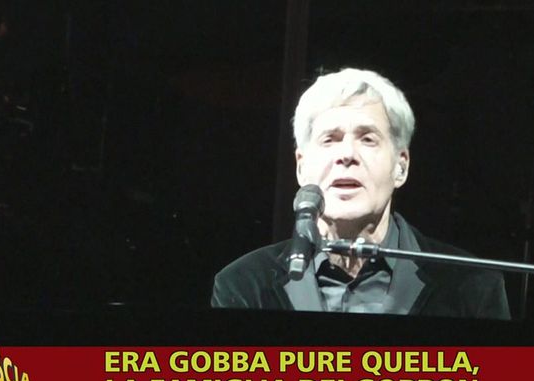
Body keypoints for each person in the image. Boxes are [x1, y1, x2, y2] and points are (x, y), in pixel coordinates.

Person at [211, 68, 510, 319]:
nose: (347, 155)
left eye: (368, 139)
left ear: (401, 167)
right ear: (301, 168)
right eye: (330, 139)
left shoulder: (472, 288)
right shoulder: (245, 285)